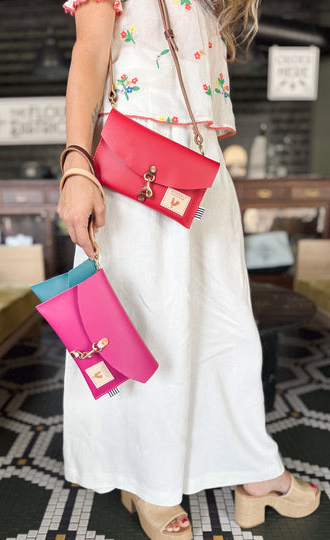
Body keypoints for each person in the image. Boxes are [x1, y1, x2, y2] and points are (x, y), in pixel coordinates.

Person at [58, 1, 321, 538]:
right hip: (135, 165)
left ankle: (252, 469)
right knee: (148, 328)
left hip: (200, 170)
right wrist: (75, 161)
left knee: (226, 327)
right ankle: (148, 477)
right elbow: (90, 50)